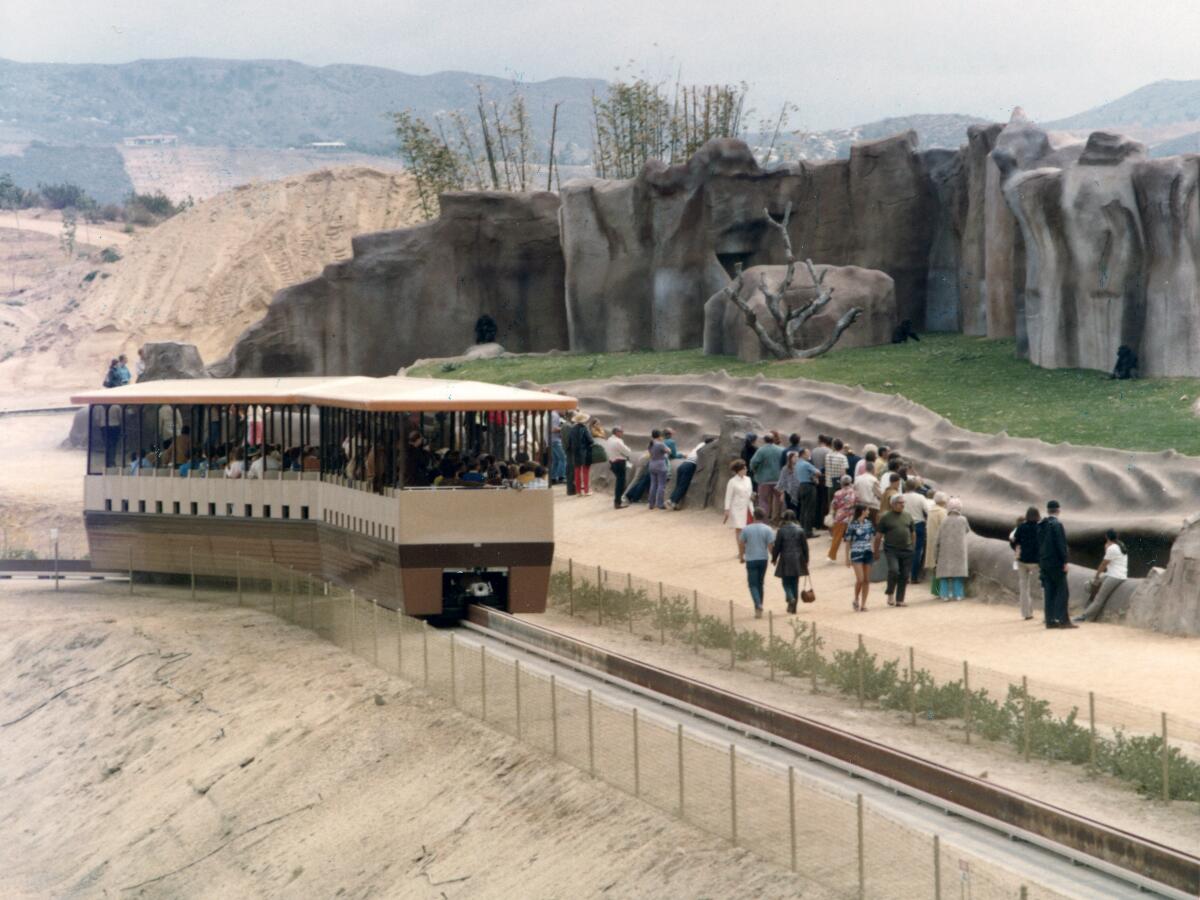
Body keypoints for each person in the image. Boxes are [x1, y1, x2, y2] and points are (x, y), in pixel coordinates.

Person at [1076, 530, 1128, 622]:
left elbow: (1103, 564)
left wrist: (1097, 575)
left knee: (1099, 598)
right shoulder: (1120, 545)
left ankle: (1085, 616)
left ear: (1107, 537)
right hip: (1114, 574)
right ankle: (1088, 611)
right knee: (1091, 586)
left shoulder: (1112, 548)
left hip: (1115, 576)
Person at [1038, 500, 1075, 628]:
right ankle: (1063, 620)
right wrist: (1065, 561)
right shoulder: (1057, 525)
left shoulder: (1041, 524)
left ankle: (1050, 620)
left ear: (1048, 510)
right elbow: (1061, 545)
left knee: (1049, 592)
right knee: (1062, 591)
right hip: (1056, 563)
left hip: (1044, 563)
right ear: (1058, 510)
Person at [874, 494, 914, 607]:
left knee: (905, 575)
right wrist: (876, 551)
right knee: (894, 570)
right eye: (900, 503)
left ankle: (900, 599)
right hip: (891, 549)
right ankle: (890, 592)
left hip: (907, 549)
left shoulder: (907, 515)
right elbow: (878, 536)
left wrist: (913, 546)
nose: (902, 505)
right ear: (892, 504)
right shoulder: (886, 517)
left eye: (903, 503)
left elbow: (912, 532)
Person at [771, 510, 810, 614]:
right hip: (798, 559)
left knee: (785, 582)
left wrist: (774, 559)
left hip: (785, 558)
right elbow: (805, 547)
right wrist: (806, 560)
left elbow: (777, 547)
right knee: (795, 583)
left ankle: (790, 597)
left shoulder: (781, 531)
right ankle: (794, 608)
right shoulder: (800, 530)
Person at [739, 508, 775, 618]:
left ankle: (758, 604)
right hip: (763, 559)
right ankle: (759, 608)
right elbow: (770, 546)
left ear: (754, 516)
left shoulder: (746, 529)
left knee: (752, 584)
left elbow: (741, 543)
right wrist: (774, 557)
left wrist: (741, 556)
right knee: (760, 584)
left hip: (751, 559)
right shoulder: (768, 529)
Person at [1009, 507, 1041, 619]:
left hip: (1022, 560)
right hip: (1037, 561)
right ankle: (1048, 613)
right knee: (1043, 586)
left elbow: (1014, 541)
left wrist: (1017, 550)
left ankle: (1026, 613)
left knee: (1023, 587)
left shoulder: (1021, 527)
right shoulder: (1040, 527)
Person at [935, 498, 970, 600]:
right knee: (958, 574)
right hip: (959, 550)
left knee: (944, 575)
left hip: (945, 551)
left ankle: (944, 595)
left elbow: (938, 538)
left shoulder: (944, 521)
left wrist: (935, 554)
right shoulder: (963, 520)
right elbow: (967, 530)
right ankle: (958, 595)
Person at [666, 437, 714, 510]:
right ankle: (674, 502)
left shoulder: (699, 445)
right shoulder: (704, 449)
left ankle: (671, 500)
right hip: (690, 466)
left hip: (683, 465)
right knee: (683, 485)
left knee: (678, 485)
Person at [749, 434, 785, 523]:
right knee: (779, 499)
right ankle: (778, 520)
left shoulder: (761, 450)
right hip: (778, 479)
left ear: (764, 440)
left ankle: (764, 521)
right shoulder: (781, 449)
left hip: (764, 480)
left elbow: (753, 463)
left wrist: (755, 471)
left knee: (763, 500)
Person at [723, 459, 754, 562]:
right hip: (737, 508)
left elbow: (750, 493)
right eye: (744, 468)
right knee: (739, 530)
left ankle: (748, 550)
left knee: (749, 529)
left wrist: (753, 496)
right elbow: (728, 496)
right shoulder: (732, 482)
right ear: (739, 470)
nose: (746, 469)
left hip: (748, 507)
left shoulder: (748, 479)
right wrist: (727, 509)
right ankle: (741, 551)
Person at [846, 505, 876, 612]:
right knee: (860, 579)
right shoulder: (852, 525)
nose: (868, 511)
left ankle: (863, 604)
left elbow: (873, 536)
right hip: (856, 552)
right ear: (863, 511)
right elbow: (848, 541)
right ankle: (856, 598)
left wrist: (872, 548)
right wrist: (847, 557)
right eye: (867, 510)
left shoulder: (869, 523)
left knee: (867, 580)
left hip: (867, 552)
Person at [902, 477, 931, 583]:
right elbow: (928, 511)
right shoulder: (920, 497)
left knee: (904, 550)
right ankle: (914, 577)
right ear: (915, 487)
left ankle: (904, 576)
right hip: (919, 525)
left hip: (904, 525)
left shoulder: (901, 497)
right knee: (917, 551)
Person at [828, 475, 857, 562]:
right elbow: (857, 503)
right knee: (852, 538)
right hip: (851, 517)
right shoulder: (854, 492)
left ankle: (831, 556)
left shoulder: (837, 493)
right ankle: (854, 555)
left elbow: (834, 505)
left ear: (841, 483)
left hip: (840, 517)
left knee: (836, 537)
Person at [925, 492, 949, 596]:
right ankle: (940, 591)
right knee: (941, 569)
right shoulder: (942, 512)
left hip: (931, 541)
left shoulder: (932, 510)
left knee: (935, 568)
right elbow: (945, 528)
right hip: (941, 543)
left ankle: (935, 590)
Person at [605, 425, 633, 509]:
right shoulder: (618, 441)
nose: (622, 433)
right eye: (621, 431)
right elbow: (628, 452)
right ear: (617, 432)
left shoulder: (609, 440)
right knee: (620, 483)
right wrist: (629, 449)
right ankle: (618, 502)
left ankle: (620, 499)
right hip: (619, 463)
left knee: (619, 482)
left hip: (612, 462)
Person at [569, 412, 594, 496]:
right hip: (585, 452)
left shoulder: (572, 429)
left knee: (577, 472)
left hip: (575, 453)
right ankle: (586, 491)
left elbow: (570, 441)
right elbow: (590, 440)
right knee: (585, 472)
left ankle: (578, 491)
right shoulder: (584, 428)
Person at [823, 439, 848, 519]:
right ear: (841, 447)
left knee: (831, 505)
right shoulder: (843, 457)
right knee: (840, 505)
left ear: (833, 446)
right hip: (839, 484)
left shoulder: (827, 456)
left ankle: (830, 524)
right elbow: (843, 473)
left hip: (829, 483)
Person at [647, 429, 670, 510]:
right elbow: (669, 451)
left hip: (652, 464)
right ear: (659, 436)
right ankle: (660, 504)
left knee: (653, 485)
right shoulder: (660, 444)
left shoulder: (650, 444)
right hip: (660, 465)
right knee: (661, 485)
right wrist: (663, 443)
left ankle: (651, 503)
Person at [549, 407, 567, 485]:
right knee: (563, 458)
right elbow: (552, 429)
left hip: (551, 440)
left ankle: (553, 478)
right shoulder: (555, 416)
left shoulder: (552, 414)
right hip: (555, 440)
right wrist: (563, 428)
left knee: (556, 460)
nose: (566, 412)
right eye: (565, 409)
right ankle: (561, 477)